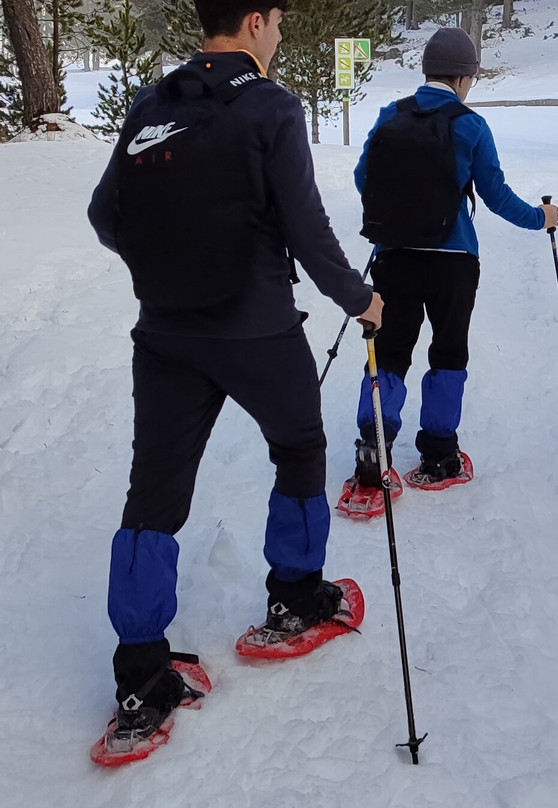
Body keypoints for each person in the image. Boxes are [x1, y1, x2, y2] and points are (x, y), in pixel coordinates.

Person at [87, 0, 382, 749]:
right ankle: (295, 598)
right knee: (300, 447)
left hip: (164, 331)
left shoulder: (153, 102)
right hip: (256, 327)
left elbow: (104, 215)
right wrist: (361, 299)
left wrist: (169, 264)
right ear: (255, 21)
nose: (278, 36)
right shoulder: (271, 106)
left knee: (153, 494)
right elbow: (307, 229)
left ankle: (141, 676)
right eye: (277, 23)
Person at [348, 27, 558, 491]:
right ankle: (440, 453)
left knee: (389, 351)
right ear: (464, 77)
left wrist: (401, 213)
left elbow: (365, 178)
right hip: (454, 260)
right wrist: (539, 218)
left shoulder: (390, 116)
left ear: (427, 70)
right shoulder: (471, 125)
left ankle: (373, 446)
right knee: (448, 351)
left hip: (394, 256)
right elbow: (495, 195)